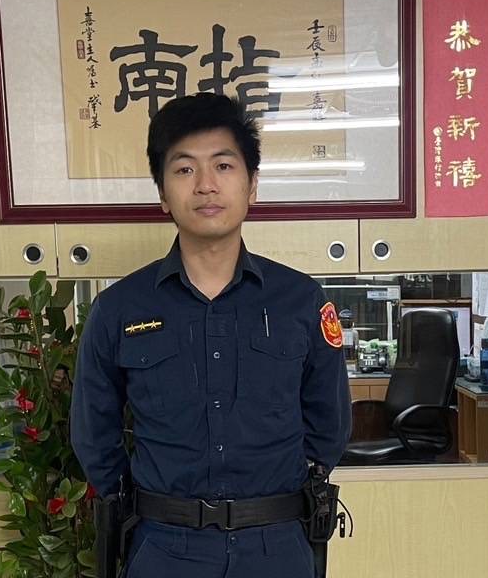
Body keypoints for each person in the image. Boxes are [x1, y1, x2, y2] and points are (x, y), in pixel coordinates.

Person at [70, 93, 351, 578]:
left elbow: (330, 425)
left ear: (252, 185)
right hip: (163, 548)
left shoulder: (301, 300)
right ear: (163, 194)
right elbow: (93, 433)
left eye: (223, 165)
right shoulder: (119, 309)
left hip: (277, 547)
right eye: (184, 169)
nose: (205, 185)